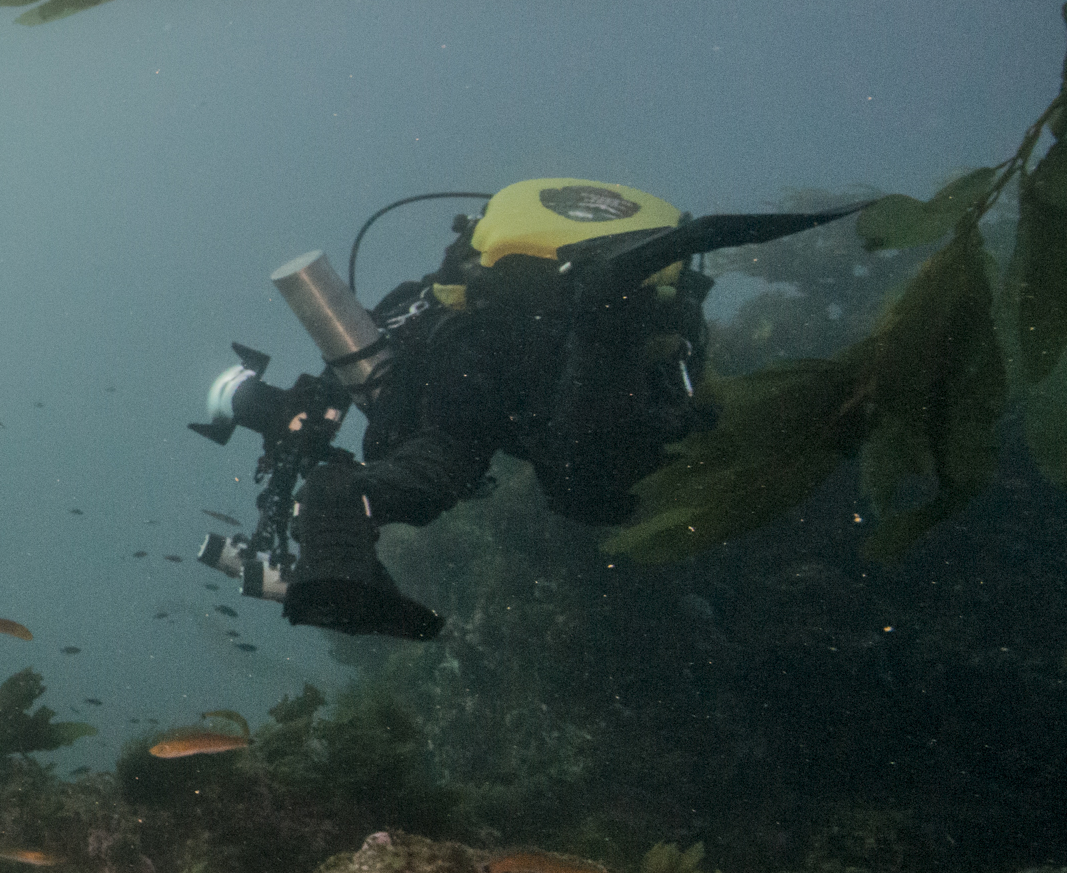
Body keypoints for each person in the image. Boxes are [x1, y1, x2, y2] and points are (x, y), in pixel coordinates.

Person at [208, 180, 854, 641]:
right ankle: (610, 307)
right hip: (578, 331)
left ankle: (345, 499)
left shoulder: (434, 301)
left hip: (482, 353)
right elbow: (695, 385)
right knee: (595, 476)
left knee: (468, 469)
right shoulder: (562, 268)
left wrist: (307, 438)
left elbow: (376, 370)